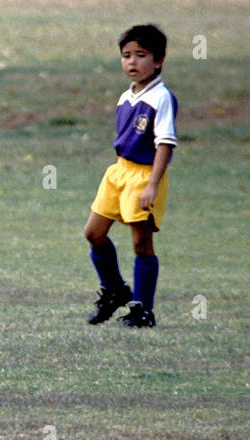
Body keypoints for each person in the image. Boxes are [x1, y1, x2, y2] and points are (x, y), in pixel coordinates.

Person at [82, 24, 177, 328]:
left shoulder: (161, 98)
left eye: (141, 55)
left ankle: (143, 311)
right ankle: (115, 290)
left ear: (159, 60)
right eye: (126, 56)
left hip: (144, 175)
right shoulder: (127, 96)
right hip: (119, 171)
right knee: (94, 233)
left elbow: (164, 144)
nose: (132, 62)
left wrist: (152, 185)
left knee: (141, 244)